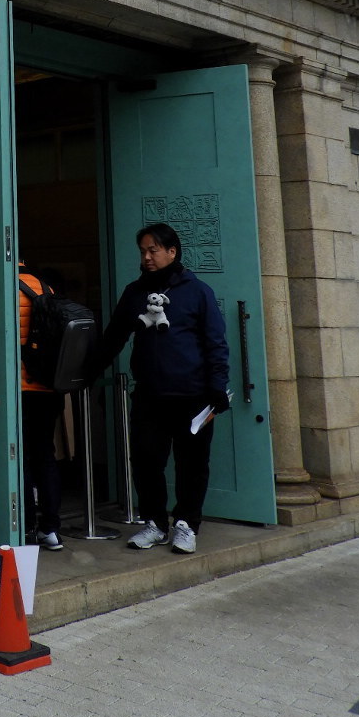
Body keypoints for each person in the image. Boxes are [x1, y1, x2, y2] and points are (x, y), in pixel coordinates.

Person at [92, 222, 230, 555]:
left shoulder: (197, 291)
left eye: (154, 250)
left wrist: (217, 387)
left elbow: (215, 342)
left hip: (193, 395)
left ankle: (186, 524)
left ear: (172, 251)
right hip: (150, 394)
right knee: (146, 460)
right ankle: (154, 523)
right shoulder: (135, 292)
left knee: (192, 464)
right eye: (143, 251)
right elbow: (115, 337)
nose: (147, 257)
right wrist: (88, 372)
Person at [19, 265, 66, 551]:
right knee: (45, 455)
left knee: (21, 458)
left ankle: (25, 528)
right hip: (48, 387)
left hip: (21, 388)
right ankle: (50, 528)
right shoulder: (45, 287)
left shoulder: (3, 285)